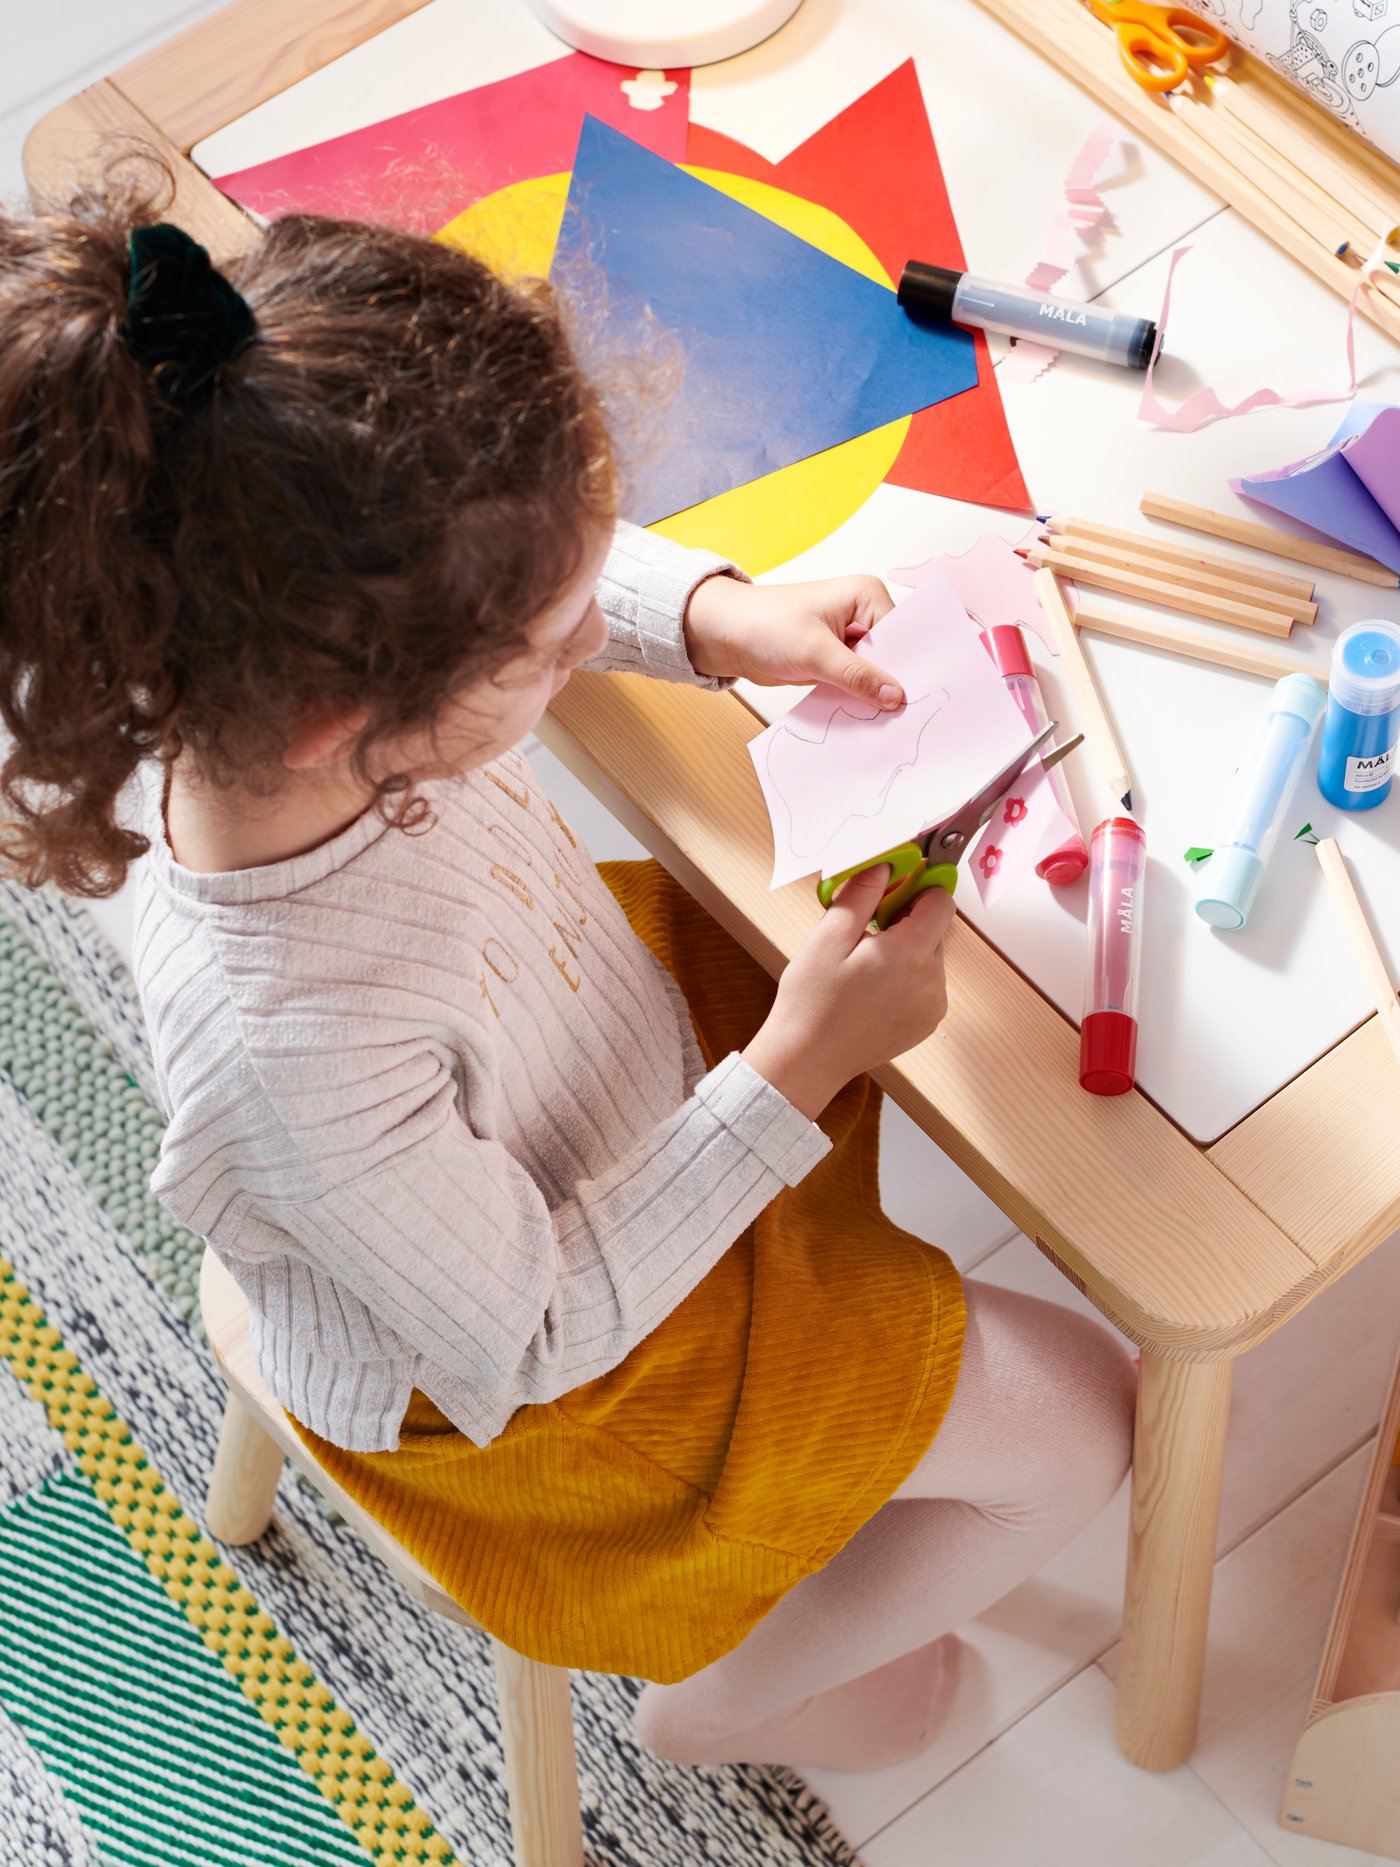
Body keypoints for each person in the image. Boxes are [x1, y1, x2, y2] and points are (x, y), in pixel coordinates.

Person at [0, 178, 1135, 1771]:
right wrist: (795, 1071)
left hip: (580, 1080)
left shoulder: (303, 670)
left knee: (848, 988)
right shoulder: (286, 1046)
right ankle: (734, 1707)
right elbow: (537, 1335)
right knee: (1090, 1415)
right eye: (556, 641)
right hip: (551, 1388)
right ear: (365, 711)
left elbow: (492, 564)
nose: (585, 632)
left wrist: (719, 616)